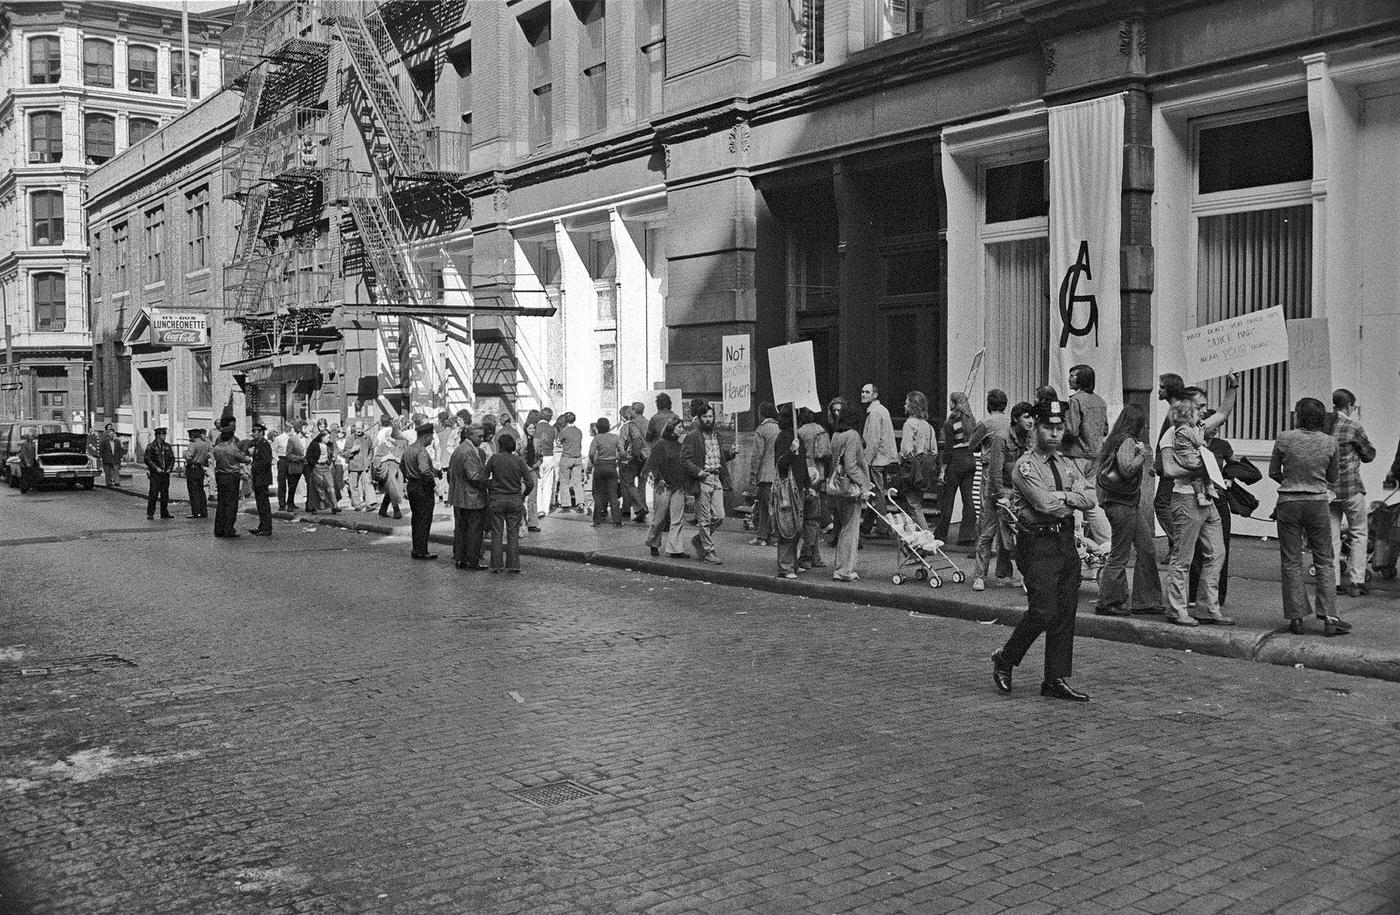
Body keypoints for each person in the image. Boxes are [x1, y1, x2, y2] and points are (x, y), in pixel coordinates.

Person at [991, 400, 1095, 702]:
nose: (1054, 433)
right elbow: (1043, 504)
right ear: (1035, 428)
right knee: (1044, 610)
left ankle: (1054, 679)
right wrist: (1070, 498)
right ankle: (1006, 658)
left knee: (1065, 612)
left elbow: (1091, 497)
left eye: (1059, 427)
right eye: (1048, 427)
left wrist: (1063, 495)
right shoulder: (1026, 466)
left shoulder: (1066, 463)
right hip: (1037, 543)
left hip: (1064, 541)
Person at [1159, 373, 1240, 627]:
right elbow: (1169, 470)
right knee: (1182, 557)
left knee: (1216, 553)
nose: (1205, 411)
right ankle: (1177, 609)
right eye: (1199, 407)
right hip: (1186, 498)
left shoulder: (1199, 429)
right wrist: (1200, 469)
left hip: (1207, 498)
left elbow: (1224, 413)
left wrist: (1233, 386)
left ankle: (1207, 608)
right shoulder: (1172, 434)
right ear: (1185, 406)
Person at [1271, 397, 1347, 635]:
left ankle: (1296, 617)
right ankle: (1330, 616)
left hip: (1289, 503)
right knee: (1325, 559)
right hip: (1317, 503)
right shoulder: (1330, 442)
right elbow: (1332, 477)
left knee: (1291, 561)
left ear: (1299, 416)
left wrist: (1291, 482)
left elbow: (1273, 471)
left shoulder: (1284, 438)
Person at [1094, 404, 1158, 617]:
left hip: (1126, 504)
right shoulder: (1128, 441)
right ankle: (1108, 601)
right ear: (1138, 423)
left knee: (1147, 547)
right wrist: (1142, 455)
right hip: (1121, 505)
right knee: (1120, 555)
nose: (1146, 426)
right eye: (1144, 422)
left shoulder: (1116, 438)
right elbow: (1127, 469)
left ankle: (1146, 600)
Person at [1329, 389, 1376, 598]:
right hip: (1351, 487)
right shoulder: (1353, 426)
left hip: (1328, 489)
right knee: (1358, 533)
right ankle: (1357, 582)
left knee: (1331, 537)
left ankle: (1334, 582)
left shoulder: (1324, 426)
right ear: (1349, 406)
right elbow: (1369, 454)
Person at [680, 400, 735, 565]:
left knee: (719, 516)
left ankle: (699, 539)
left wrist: (730, 453)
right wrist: (698, 472)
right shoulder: (692, 437)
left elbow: (718, 456)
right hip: (702, 480)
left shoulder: (717, 435)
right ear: (699, 418)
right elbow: (684, 459)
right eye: (705, 417)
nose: (708, 420)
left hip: (716, 478)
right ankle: (709, 551)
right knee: (704, 519)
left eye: (710, 416)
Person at [969, 390, 1014, 591]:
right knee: (1006, 525)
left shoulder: (985, 423)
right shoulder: (1011, 423)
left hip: (989, 471)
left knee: (986, 525)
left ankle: (980, 574)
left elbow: (972, 445)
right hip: (1009, 476)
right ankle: (1003, 572)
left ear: (989, 404)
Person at [1064, 364, 1112, 548]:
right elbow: (1105, 428)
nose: (1069, 379)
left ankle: (1078, 541)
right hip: (1097, 455)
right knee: (1092, 498)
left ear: (1081, 379)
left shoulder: (1075, 400)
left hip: (1077, 454)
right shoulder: (1100, 401)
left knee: (1076, 496)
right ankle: (1106, 540)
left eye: (1073, 376)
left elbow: (1072, 429)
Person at [828, 410, 871, 582]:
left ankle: (841, 566)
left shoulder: (836, 435)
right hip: (850, 488)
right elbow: (851, 465)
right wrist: (863, 484)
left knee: (844, 526)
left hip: (838, 487)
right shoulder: (853, 435)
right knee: (850, 529)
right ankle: (845, 569)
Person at [486, 433, 536, 573]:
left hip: (497, 499)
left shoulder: (494, 458)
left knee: (497, 533)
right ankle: (513, 565)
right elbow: (530, 482)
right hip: (515, 499)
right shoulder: (519, 461)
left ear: (500, 446)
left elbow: (484, 477)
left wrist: (492, 487)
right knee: (513, 534)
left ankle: (496, 565)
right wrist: (524, 494)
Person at [643, 417, 689, 558]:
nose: (682, 430)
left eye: (682, 427)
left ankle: (675, 549)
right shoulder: (661, 444)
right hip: (663, 485)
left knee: (677, 518)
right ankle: (653, 543)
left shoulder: (681, 445)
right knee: (660, 517)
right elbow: (653, 464)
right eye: (679, 427)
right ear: (671, 428)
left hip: (678, 485)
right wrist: (659, 479)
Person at [937, 391, 978, 546]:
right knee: (968, 500)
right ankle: (967, 535)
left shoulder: (950, 423)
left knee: (948, 500)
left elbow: (947, 449)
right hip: (970, 460)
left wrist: (943, 469)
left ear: (954, 404)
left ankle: (941, 534)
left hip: (955, 461)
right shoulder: (971, 421)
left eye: (950, 401)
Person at [772, 410, 809, 579]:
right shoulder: (784, 438)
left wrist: (808, 484)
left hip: (797, 487)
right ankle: (785, 566)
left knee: (796, 525)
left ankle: (792, 562)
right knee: (787, 524)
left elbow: (802, 463)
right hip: (787, 488)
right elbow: (780, 464)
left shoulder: (796, 437)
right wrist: (791, 451)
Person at [448, 423, 489, 570]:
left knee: (461, 529)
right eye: (479, 436)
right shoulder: (469, 451)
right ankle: (472, 560)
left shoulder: (459, 449)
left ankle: (460, 558)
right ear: (470, 435)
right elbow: (473, 476)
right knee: (474, 530)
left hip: (459, 497)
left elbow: (450, 474)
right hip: (472, 498)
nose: (482, 439)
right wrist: (489, 483)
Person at [795, 407, 830, 570]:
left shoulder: (800, 431)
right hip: (818, 473)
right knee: (814, 518)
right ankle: (814, 556)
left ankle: (807, 555)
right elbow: (826, 454)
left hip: (805, 474)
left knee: (809, 519)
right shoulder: (821, 430)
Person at [859, 383, 896, 535]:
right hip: (883, 458)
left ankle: (883, 528)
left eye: (867, 392)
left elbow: (872, 440)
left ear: (875, 395)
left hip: (876, 460)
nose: (863, 394)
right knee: (876, 493)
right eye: (862, 392)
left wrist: (865, 461)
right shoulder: (881, 410)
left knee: (877, 495)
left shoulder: (874, 413)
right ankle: (867, 526)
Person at [897, 391, 937, 530]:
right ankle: (913, 538)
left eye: (907, 402)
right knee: (916, 501)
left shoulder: (909, 424)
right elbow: (934, 450)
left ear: (912, 405)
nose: (904, 405)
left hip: (913, 468)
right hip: (925, 468)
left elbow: (906, 450)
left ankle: (926, 537)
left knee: (913, 504)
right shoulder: (928, 426)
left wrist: (900, 460)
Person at [401, 423, 440, 560]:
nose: (432, 440)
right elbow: (424, 470)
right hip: (422, 488)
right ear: (426, 436)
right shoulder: (421, 451)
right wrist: (432, 483)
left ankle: (416, 549)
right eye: (431, 437)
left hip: (412, 486)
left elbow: (402, 466)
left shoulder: (409, 449)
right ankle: (422, 550)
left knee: (416, 519)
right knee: (424, 520)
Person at [748, 402, 781, 545]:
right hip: (780, 472)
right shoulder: (781, 427)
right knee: (777, 505)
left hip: (766, 474)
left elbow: (757, 454)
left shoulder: (762, 430)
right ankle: (776, 535)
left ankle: (763, 536)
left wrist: (753, 474)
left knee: (764, 506)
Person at [212, 427, 251, 538]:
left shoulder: (216, 448)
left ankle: (219, 529)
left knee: (221, 503)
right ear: (231, 438)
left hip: (220, 476)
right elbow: (245, 459)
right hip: (231, 476)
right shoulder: (232, 449)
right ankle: (228, 529)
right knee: (231, 504)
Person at [588, 416, 623, 526]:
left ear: (598, 427)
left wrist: (594, 463)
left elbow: (591, 453)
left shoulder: (597, 438)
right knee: (613, 494)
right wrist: (617, 461)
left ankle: (597, 520)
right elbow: (622, 452)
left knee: (598, 494)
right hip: (612, 466)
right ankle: (617, 521)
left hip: (600, 466)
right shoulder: (615, 437)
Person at [620, 402, 649, 524]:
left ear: (634, 410)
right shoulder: (647, 422)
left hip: (637, 456)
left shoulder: (633, 424)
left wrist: (636, 455)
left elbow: (636, 439)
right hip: (648, 456)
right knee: (642, 483)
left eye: (631, 409)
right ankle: (642, 510)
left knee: (628, 482)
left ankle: (641, 507)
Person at [304, 422, 339, 514]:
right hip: (317, 467)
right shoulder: (314, 444)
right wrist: (314, 464)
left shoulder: (330, 445)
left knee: (331, 487)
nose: (329, 439)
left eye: (330, 437)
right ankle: (316, 506)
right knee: (318, 488)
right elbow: (309, 456)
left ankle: (335, 506)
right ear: (322, 437)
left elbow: (331, 454)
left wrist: (329, 461)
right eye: (327, 437)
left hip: (326, 467)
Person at [374, 417, 405, 520]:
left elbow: (402, 459)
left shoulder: (398, 446)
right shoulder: (382, 447)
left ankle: (382, 510)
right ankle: (397, 510)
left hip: (396, 472)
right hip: (386, 472)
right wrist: (386, 457)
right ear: (387, 437)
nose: (393, 438)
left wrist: (395, 458)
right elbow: (376, 460)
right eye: (390, 436)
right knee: (392, 489)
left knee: (391, 490)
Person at [247, 422, 274, 536]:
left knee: (263, 503)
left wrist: (254, 466)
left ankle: (266, 527)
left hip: (262, 477)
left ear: (261, 432)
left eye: (254, 432)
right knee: (260, 503)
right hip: (258, 477)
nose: (252, 434)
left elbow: (266, 461)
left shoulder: (264, 444)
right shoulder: (258, 444)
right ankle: (262, 525)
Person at [143, 428, 176, 520]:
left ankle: (164, 512)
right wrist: (155, 468)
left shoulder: (167, 446)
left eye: (165, 434)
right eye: (163, 434)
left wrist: (169, 469)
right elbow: (147, 459)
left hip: (165, 474)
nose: (164, 436)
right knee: (153, 493)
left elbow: (172, 459)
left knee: (165, 494)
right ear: (158, 435)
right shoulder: (151, 446)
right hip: (155, 474)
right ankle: (150, 513)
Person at [555, 412, 584, 512]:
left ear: (566, 420)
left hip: (566, 457)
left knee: (564, 483)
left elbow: (558, 443)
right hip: (577, 458)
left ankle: (566, 505)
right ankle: (580, 503)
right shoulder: (579, 431)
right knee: (577, 483)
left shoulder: (564, 431)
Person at [343, 421, 375, 511]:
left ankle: (370, 504)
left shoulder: (367, 438)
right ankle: (357, 504)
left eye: (360, 428)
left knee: (368, 483)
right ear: (354, 428)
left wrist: (369, 459)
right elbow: (344, 453)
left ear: (363, 428)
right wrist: (352, 450)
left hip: (365, 465)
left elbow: (371, 450)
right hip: (354, 465)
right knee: (354, 486)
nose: (358, 430)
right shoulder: (350, 438)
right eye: (357, 428)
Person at [534, 408, 558, 514]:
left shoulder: (535, 428)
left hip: (539, 457)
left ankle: (539, 509)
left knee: (539, 483)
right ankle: (546, 508)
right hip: (550, 456)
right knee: (548, 484)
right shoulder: (553, 429)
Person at [184, 429, 211, 520]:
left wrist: (185, 453)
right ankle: (203, 511)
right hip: (200, 468)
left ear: (192, 436)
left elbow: (188, 456)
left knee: (193, 490)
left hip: (192, 468)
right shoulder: (205, 444)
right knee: (201, 490)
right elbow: (208, 455)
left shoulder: (193, 444)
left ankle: (195, 512)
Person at [284, 421, 306, 511]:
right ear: (299, 429)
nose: (307, 430)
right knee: (292, 486)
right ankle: (290, 503)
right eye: (304, 428)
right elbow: (288, 455)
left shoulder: (307, 439)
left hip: (306, 466)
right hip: (295, 466)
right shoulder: (292, 439)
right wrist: (300, 458)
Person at [98, 423, 125, 488]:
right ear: (108, 435)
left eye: (113, 434)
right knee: (108, 471)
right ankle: (109, 482)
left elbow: (120, 450)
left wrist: (121, 457)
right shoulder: (104, 442)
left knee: (116, 470)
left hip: (115, 458)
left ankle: (117, 482)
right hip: (107, 458)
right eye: (111, 435)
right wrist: (100, 457)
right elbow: (101, 450)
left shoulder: (117, 441)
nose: (112, 436)